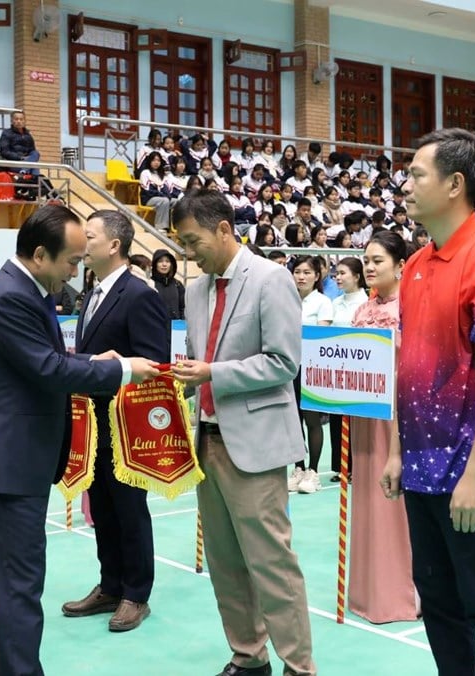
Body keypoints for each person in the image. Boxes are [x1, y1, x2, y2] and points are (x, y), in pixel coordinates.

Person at [0, 205, 161, 676]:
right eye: (70, 261)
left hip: (14, 458)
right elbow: (47, 369)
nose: (76, 269)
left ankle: (9, 661)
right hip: (8, 461)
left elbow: (44, 357)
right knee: (21, 582)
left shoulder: (21, 290)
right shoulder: (11, 296)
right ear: (40, 254)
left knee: (14, 581)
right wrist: (122, 368)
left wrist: (90, 359)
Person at [385, 128, 475, 675]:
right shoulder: (419, 263)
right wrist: (399, 452)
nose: (406, 184)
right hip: (422, 470)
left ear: (454, 184)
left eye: (417, 174)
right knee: (440, 607)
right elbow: (409, 367)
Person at [170, 190, 316, 676]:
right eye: (182, 244)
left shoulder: (271, 279)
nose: (188, 254)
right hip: (206, 441)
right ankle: (249, 657)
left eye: (194, 242)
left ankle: (298, 666)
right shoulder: (195, 289)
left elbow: (283, 362)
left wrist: (213, 372)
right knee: (226, 563)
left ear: (224, 229)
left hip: (254, 447)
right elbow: (197, 359)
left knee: (272, 565)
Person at [61, 210, 170, 633]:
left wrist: (113, 364)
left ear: (114, 246)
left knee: (129, 510)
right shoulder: (91, 293)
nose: (80, 242)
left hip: (126, 424)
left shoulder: (139, 294)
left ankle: (136, 594)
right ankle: (109, 584)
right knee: (101, 509)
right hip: (92, 421)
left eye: (88, 236)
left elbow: (156, 361)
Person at [347, 231, 418, 624]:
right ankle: (366, 590)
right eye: (366, 260)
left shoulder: (410, 309)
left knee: (394, 503)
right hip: (364, 417)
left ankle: (400, 594)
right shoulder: (361, 311)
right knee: (367, 498)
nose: (370, 267)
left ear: (400, 264)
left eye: (377, 261)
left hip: (398, 416)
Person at [288, 255, 333, 495]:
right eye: (297, 272)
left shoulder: (323, 302)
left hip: (313, 369)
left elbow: (319, 336)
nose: (301, 276)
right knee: (293, 422)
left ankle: (313, 472)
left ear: (317, 276)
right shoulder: (286, 300)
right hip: (288, 367)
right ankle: (298, 468)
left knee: (312, 420)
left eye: (307, 272)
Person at [328, 258, 368, 483]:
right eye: (337, 274)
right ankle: (341, 466)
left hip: (359, 371)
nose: (338, 278)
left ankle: (358, 465)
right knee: (337, 419)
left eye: (343, 273)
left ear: (357, 276)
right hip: (336, 371)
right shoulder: (334, 304)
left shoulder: (365, 303)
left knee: (357, 421)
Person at [150, 249, 186, 319]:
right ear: (155, 264)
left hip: (175, 328)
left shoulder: (177, 284)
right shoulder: (149, 284)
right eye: (160, 261)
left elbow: (183, 308)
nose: (164, 264)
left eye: (167, 261)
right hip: (156, 327)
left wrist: (181, 326)